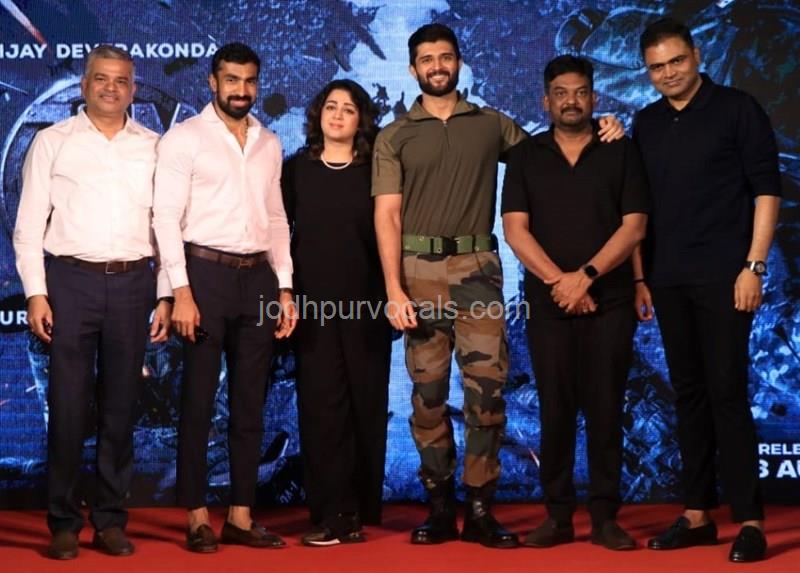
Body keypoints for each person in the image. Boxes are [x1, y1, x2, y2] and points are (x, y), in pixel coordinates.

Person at [372, 23, 624, 549]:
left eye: (445, 57)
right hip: (418, 272)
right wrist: (393, 289)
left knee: (486, 392)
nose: (437, 66)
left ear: (459, 63)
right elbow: (387, 217)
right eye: (427, 59)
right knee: (427, 395)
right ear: (413, 69)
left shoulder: (491, 124)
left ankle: (481, 506)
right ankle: (440, 506)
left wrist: (603, 127)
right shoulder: (395, 136)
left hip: (479, 269)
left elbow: (552, 151)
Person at [13, 45, 172, 560]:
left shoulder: (155, 147)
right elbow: (27, 226)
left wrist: (166, 293)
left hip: (133, 284)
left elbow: (167, 228)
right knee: (67, 408)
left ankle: (109, 520)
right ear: (84, 84)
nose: (111, 88)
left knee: (121, 409)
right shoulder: (52, 141)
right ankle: (63, 521)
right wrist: (36, 292)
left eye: (121, 80)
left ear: (133, 89)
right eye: (101, 78)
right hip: (70, 282)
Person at [632, 17, 781, 563]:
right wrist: (642, 278)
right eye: (657, 67)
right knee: (688, 394)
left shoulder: (738, 109)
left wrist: (754, 266)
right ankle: (696, 514)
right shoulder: (646, 122)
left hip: (727, 276)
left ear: (696, 55)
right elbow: (639, 207)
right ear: (647, 72)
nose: (669, 73)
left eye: (676, 60)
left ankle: (751, 520)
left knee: (727, 392)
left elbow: (767, 192)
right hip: (667, 278)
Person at [152, 42, 296, 553]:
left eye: (250, 80)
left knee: (249, 404)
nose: (241, 90)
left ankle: (240, 514)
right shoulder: (184, 138)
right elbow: (165, 218)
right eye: (231, 80)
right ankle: (196, 516)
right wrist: (180, 292)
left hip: (257, 280)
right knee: (197, 402)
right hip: (204, 276)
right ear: (212, 82)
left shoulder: (269, 142)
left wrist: (284, 286)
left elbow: (276, 219)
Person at [502, 55, 649, 551]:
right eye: (561, 93)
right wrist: (560, 284)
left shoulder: (620, 150)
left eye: (581, 92)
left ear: (594, 97)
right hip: (548, 304)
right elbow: (515, 230)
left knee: (606, 406)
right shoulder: (526, 155)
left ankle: (605, 517)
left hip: (610, 299)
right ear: (546, 101)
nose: (572, 101)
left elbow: (634, 226)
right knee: (556, 408)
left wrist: (584, 279)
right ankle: (558, 515)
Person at [281, 79, 392, 547]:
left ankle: (357, 510)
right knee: (322, 410)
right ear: (318, 115)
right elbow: (278, 234)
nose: (339, 115)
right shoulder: (295, 170)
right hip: (313, 307)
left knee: (365, 405)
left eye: (349, 108)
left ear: (361, 119)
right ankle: (329, 512)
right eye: (331, 106)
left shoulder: (378, 171)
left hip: (369, 305)